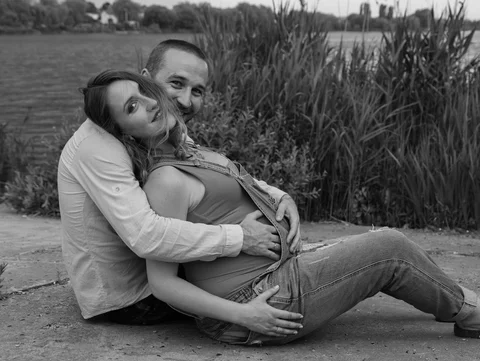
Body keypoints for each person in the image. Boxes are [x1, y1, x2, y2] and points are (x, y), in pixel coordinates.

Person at [78, 69, 480, 345]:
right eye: (130, 108)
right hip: (258, 306)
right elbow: (161, 282)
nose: (148, 107)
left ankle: (462, 305)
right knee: (391, 249)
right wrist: (244, 315)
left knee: (377, 246)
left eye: (143, 93)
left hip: (279, 275)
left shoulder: (188, 151)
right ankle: (476, 317)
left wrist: (281, 197)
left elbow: (243, 184)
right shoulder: (164, 180)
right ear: (123, 129)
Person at [58, 40, 302, 329]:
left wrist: (276, 195)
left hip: (160, 272)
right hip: (132, 298)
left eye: (197, 91)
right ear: (146, 79)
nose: (186, 102)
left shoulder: (152, 123)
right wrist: (241, 238)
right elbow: (145, 236)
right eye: (177, 83)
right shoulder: (98, 149)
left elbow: (210, 168)